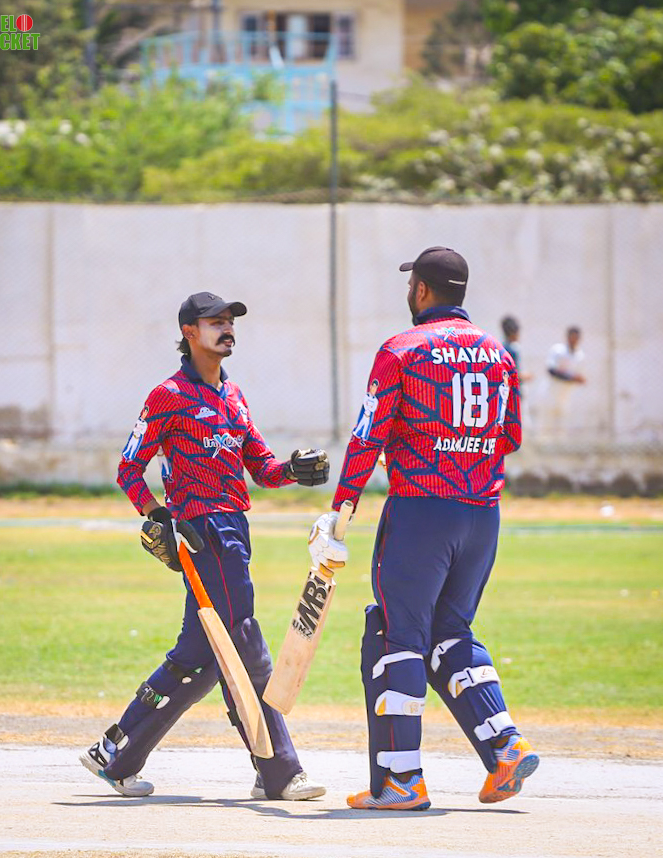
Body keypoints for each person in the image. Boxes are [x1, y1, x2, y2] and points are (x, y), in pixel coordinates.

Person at [308, 247, 538, 811]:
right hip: (482, 514)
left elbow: (367, 437)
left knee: (398, 636)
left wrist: (339, 515)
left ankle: (401, 781)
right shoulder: (499, 354)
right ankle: (506, 746)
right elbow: (511, 435)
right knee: (451, 631)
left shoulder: (402, 350)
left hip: (421, 513)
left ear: (421, 290)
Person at [80, 291, 330, 801]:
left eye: (230, 321)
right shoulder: (168, 395)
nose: (227, 328)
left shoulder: (233, 395)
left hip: (235, 528)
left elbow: (261, 468)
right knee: (244, 643)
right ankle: (280, 771)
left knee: (199, 660)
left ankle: (115, 753)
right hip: (202, 532)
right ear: (189, 332)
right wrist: (158, 518)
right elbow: (129, 467)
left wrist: (293, 470)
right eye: (215, 321)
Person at [541, 326, 586, 440]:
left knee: (562, 428)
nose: (574, 340)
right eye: (572, 337)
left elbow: (578, 376)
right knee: (546, 426)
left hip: (566, 395)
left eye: (576, 338)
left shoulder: (580, 356)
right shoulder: (558, 350)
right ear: (567, 337)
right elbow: (551, 370)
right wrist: (571, 377)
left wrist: (578, 379)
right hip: (550, 392)